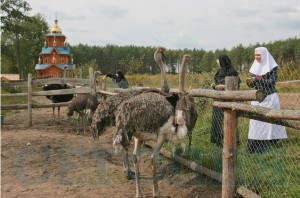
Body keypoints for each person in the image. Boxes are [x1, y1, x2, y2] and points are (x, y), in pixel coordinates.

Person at [245, 47, 287, 154]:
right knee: (255, 123)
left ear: (264, 55)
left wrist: (258, 79)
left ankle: (268, 146)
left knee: (270, 123)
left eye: (258, 55)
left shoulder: (272, 67)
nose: (257, 57)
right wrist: (250, 83)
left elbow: (271, 82)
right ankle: (253, 147)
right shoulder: (254, 67)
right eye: (255, 55)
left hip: (269, 97)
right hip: (257, 98)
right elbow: (255, 84)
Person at [210, 54, 240, 147]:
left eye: (218, 60)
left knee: (227, 120)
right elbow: (217, 82)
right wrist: (214, 86)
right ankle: (219, 141)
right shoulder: (219, 71)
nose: (217, 62)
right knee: (217, 121)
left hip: (228, 100)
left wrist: (224, 86)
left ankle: (230, 141)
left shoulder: (231, 70)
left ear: (222, 60)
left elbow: (236, 85)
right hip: (218, 99)